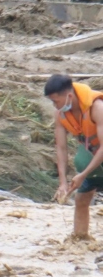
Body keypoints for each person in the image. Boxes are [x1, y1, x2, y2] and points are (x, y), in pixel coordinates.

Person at [47, 74, 103, 238]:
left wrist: (83, 175)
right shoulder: (61, 114)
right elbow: (61, 149)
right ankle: (80, 239)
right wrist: (63, 182)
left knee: (84, 165)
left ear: (69, 96)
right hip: (92, 159)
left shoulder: (97, 108)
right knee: (81, 200)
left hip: (97, 157)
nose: (55, 106)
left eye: (56, 101)